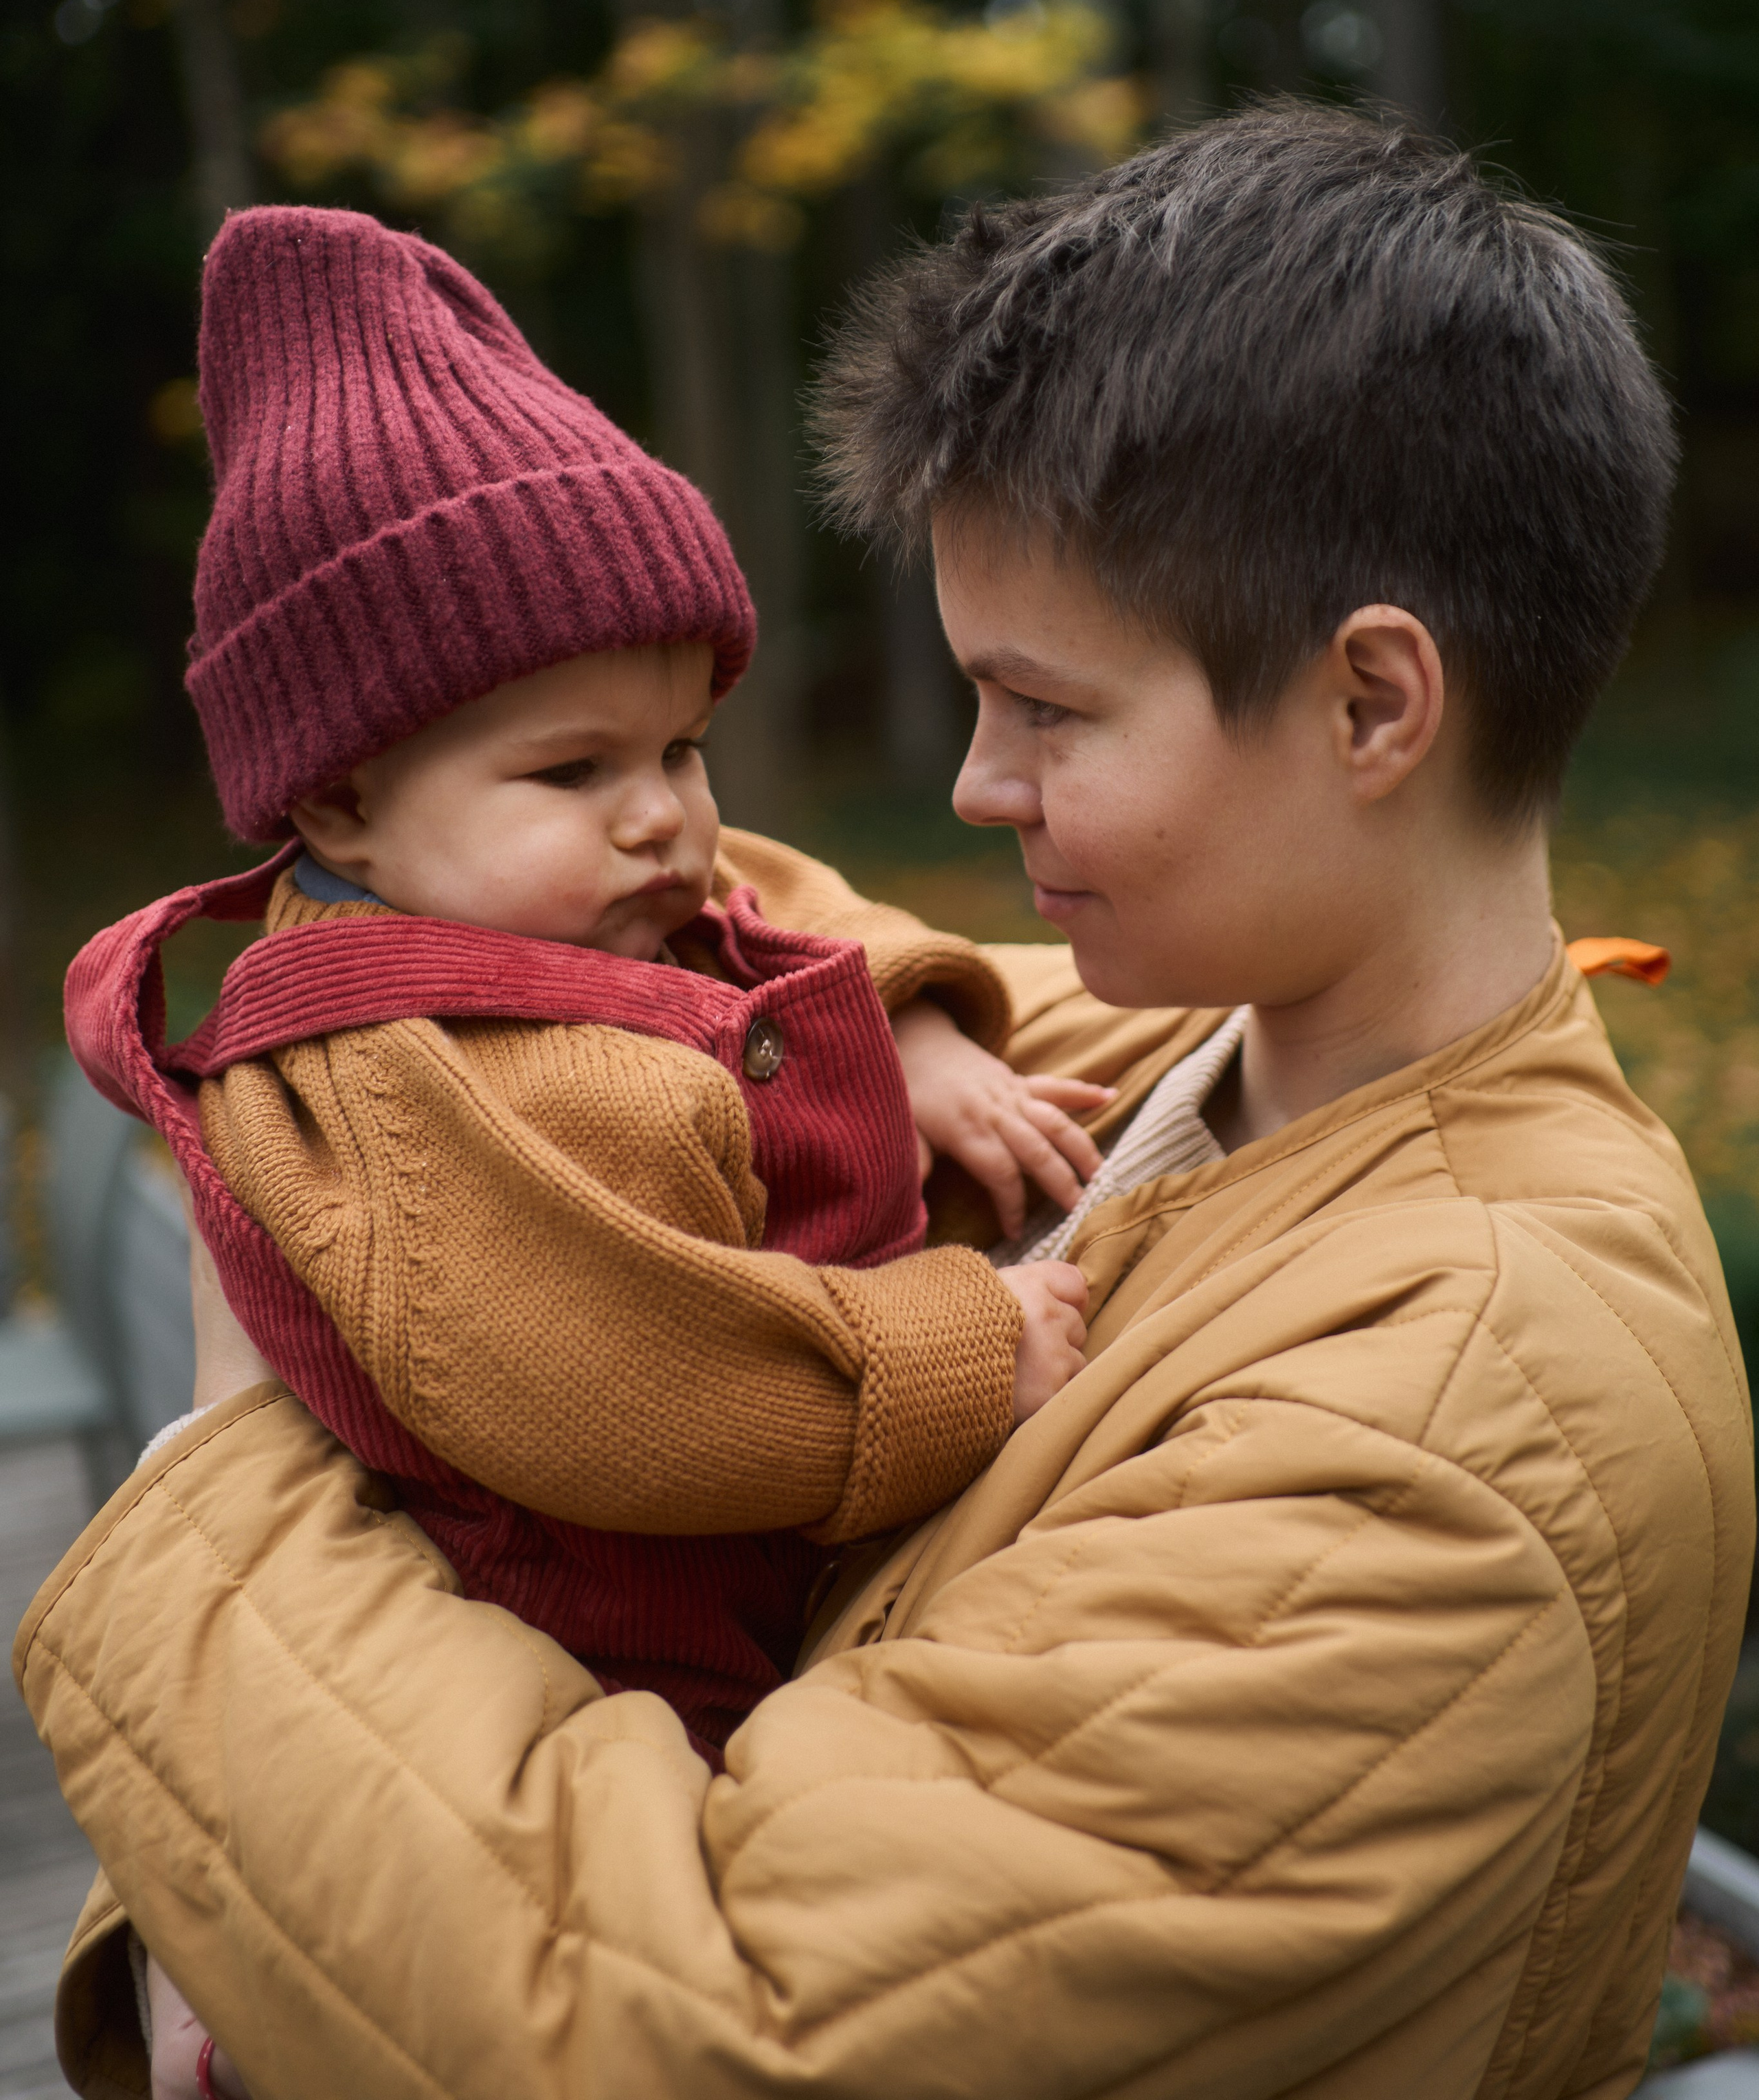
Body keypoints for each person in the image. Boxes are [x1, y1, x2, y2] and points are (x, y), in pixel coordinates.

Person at [19, 102, 1751, 2100]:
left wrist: (218, 1478)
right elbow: (706, 943)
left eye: (1049, 710)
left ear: (1371, 703)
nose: (973, 784)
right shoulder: (1171, 1050)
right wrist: (192, 1902)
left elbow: (717, 2036)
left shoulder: (1447, 1415)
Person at [61, 203, 1102, 1774]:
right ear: (337, 806)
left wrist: (918, 1020)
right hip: (619, 1674)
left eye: (679, 746)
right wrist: (967, 1347)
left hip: (779, 1581)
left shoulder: (577, 895)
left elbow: (771, 898)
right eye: (573, 767)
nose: (659, 815)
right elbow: (627, 1389)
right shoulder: (410, 1081)